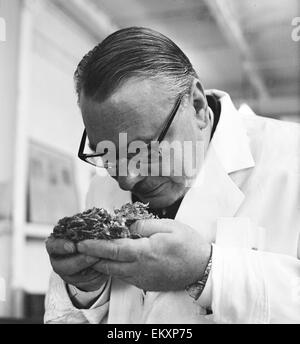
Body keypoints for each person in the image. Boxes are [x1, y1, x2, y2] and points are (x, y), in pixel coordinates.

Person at [45, 27, 300, 324]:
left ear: (197, 106)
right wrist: (85, 289)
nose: (126, 179)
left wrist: (209, 271)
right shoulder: (101, 190)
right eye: (106, 153)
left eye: (143, 149)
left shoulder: (291, 161)